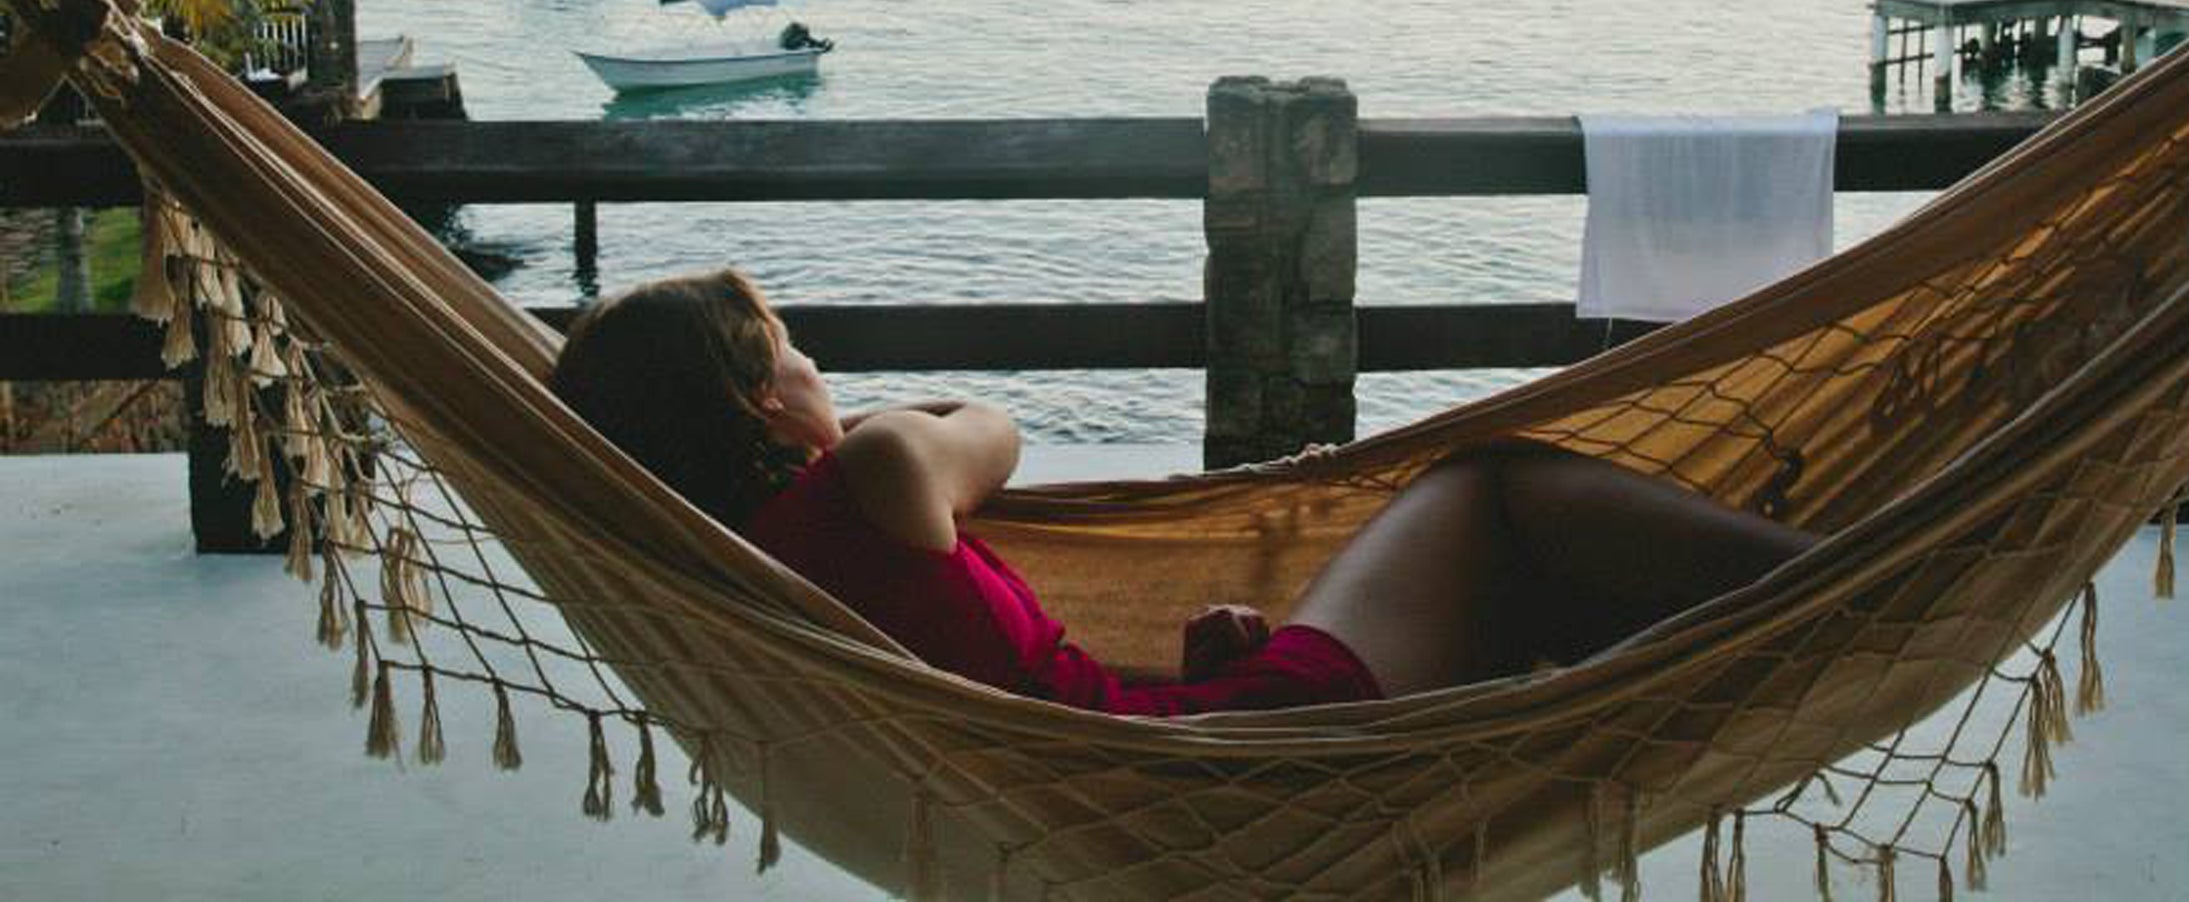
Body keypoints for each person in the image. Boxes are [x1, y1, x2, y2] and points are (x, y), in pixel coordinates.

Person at [551, 269, 1819, 715]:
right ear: (757, 404)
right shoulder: (872, 472)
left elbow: (1020, 686)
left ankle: (1792, 620)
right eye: (794, 348)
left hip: (1179, 740)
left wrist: (1196, 667)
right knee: (1493, 486)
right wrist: (903, 424)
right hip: (1226, 761)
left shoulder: (747, 560)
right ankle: (1849, 582)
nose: (818, 363)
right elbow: (997, 433)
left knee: (1531, 590)